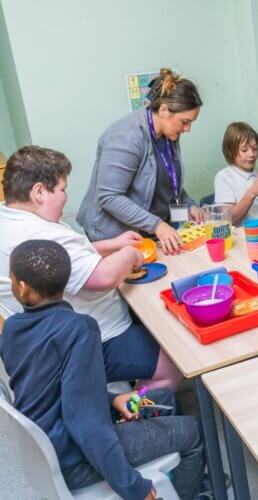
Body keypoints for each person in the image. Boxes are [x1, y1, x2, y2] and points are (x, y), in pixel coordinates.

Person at [0, 240, 204, 500]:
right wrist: (133, 487)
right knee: (191, 432)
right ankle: (194, 493)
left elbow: (51, 390)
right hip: (76, 458)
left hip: (50, 438)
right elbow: (86, 423)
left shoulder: (12, 329)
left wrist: (112, 399)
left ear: (21, 287)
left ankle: (170, 480)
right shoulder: (79, 329)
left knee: (161, 400)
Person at [0, 146, 181, 388]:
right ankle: (135, 416)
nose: (66, 197)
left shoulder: (10, 219)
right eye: (62, 189)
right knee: (173, 364)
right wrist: (130, 253)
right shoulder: (40, 233)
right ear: (39, 192)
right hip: (91, 342)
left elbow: (61, 261)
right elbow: (103, 278)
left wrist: (112, 244)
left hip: (44, 344)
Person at [77, 68, 203, 255]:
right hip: (113, 236)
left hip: (149, 234)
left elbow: (166, 179)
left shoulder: (169, 134)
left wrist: (188, 203)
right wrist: (157, 225)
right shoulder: (127, 136)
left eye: (191, 122)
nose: (188, 129)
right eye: (184, 122)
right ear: (164, 111)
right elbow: (109, 196)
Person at [214, 122, 258, 225]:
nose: (252, 154)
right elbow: (229, 220)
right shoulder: (223, 177)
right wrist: (252, 192)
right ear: (230, 151)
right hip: (243, 238)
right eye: (244, 150)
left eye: (255, 148)